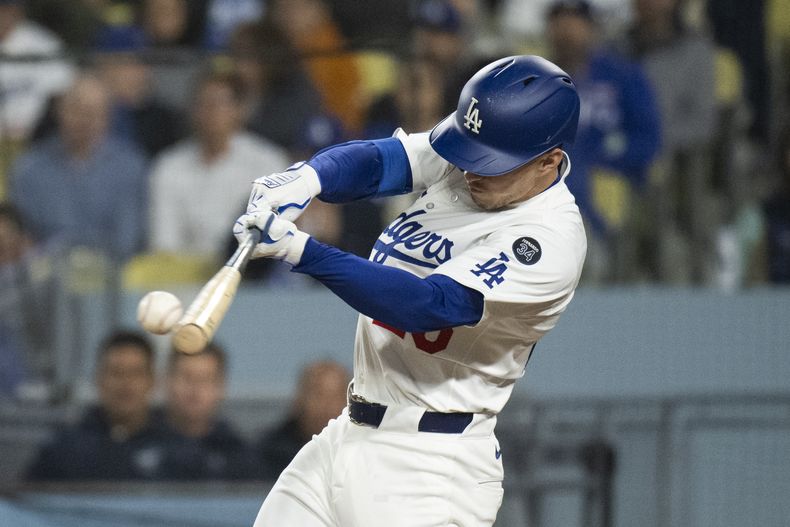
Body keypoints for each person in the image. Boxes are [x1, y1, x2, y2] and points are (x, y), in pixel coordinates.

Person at [232, 55, 586, 526]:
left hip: (432, 467)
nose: (471, 168)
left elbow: (427, 305)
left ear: (550, 161)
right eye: (470, 149)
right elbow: (383, 160)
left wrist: (303, 251)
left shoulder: (548, 239)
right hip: (348, 433)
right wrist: (307, 178)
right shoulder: (474, 159)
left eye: (493, 163)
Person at [545, 0, 661, 282]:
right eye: (560, 20)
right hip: (547, 187)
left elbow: (649, 139)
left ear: (592, 28)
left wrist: (606, 160)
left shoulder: (621, 75)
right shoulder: (533, 78)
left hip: (610, 181)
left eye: (576, 21)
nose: (568, 29)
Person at [148, 70, 289, 262]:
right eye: (202, 104)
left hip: (253, 273)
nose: (210, 112)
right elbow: (164, 245)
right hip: (187, 277)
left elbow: (277, 236)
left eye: (218, 104)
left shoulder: (268, 162)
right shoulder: (168, 166)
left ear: (239, 110)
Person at [9, 73, 148, 260]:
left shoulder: (131, 166)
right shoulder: (29, 169)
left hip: (114, 275)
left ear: (108, 116)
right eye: (77, 109)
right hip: (44, 276)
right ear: (59, 111)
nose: (85, 119)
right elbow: (23, 240)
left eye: (94, 111)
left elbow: (128, 241)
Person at [26, 330, 167, 480]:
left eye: (135, 373)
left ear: (152, 380)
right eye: (116, 373)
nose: (126, 383)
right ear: (98, 379)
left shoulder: (173, 447)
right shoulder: (65, 448)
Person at [159, 342, 252, 480]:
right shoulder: (137, 442)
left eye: (205, 379)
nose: (195, 389)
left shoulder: (238, 453)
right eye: (186, 378)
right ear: (167, 381)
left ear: (221, 387)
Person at [257, 359, 350, 480]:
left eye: (336, 397)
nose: (327, 406)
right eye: (318, 395)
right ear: (299, 399)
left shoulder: (362, 452)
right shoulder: (267, 454)